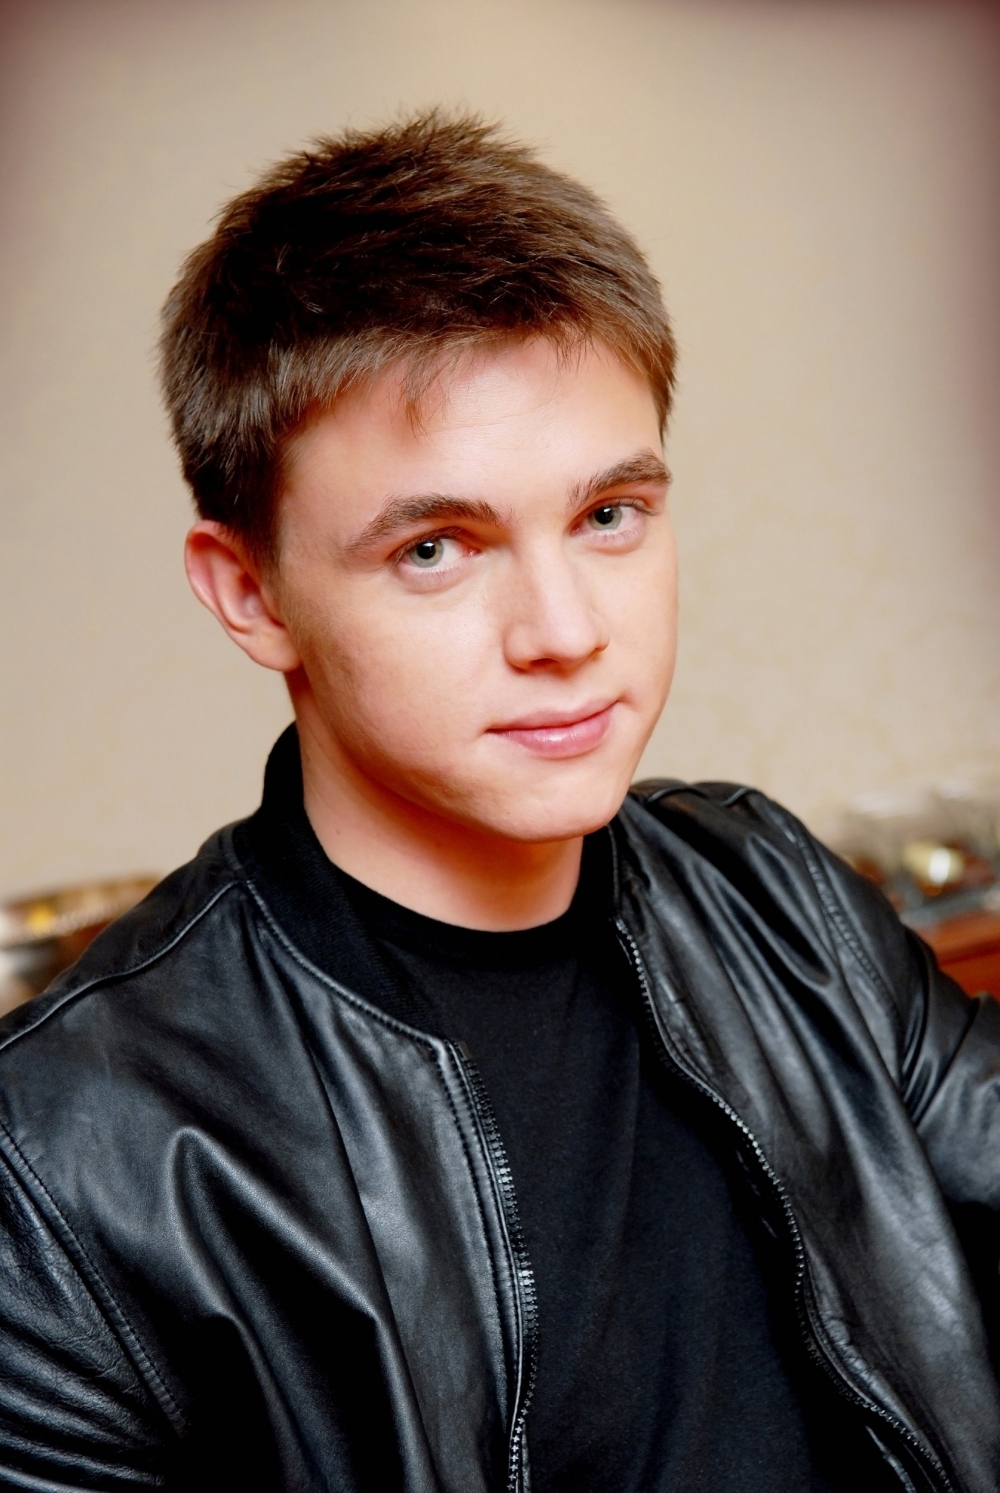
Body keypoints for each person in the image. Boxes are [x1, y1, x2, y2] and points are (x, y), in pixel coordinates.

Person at [0, 112, 997, 1493]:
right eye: (436, 548)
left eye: (608, 516)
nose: (566, 631)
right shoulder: (60, 1160)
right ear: (250, 592)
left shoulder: (771, 889)